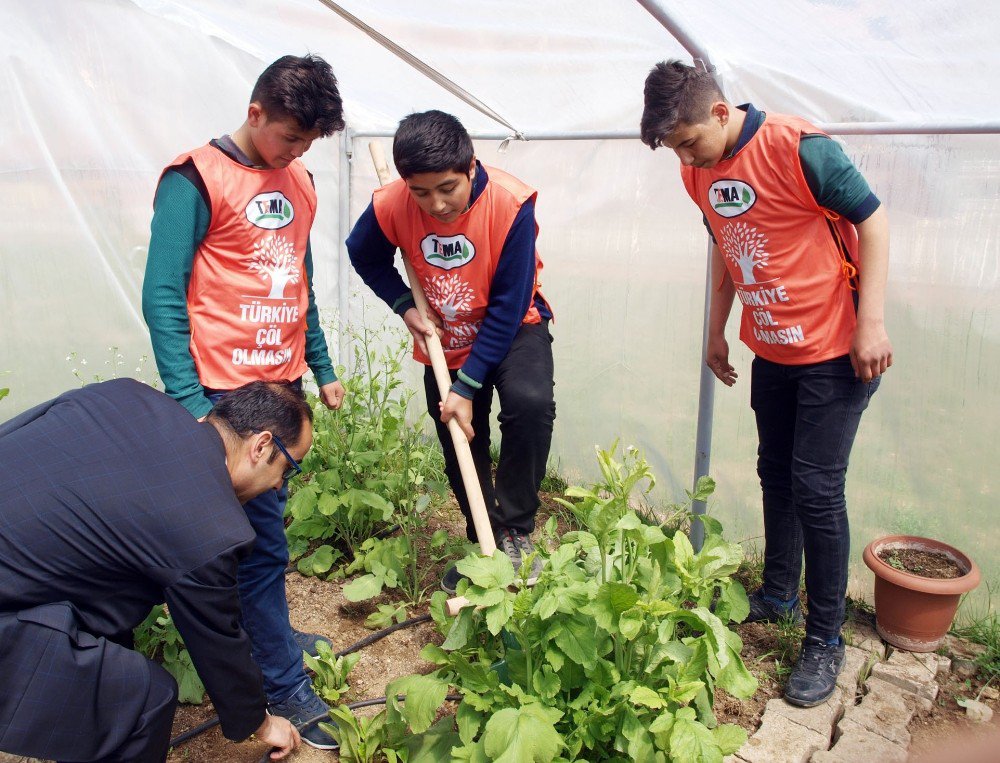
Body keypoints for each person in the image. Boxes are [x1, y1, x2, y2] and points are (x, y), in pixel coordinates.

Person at [641, 61, 893, 707]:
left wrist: (872, 325)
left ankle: (824, 636)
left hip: (836, 349)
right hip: (773, 347)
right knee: (774, 471)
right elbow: (728, 245)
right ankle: (779, 594)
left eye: (690, 140)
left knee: (815, 486)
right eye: (676, 149)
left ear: (721, 112)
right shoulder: (696, 169)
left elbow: (874, 222)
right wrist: (717, 328)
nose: (687, 157)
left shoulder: (801, 149)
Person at [142, 54, 345, 748]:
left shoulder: (303, 183)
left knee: (261, 543)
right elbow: (163, 294)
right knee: (248, 548)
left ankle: (270, 638)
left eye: (307, 143)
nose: (295, 152)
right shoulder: (195, 178)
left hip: (279, 387)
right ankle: (283, 679)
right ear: (255, 112)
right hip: (223, 395)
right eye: (288, 137)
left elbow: (299, 282)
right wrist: (191, 401)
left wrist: (319, 366)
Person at [0, 379, 312, 762]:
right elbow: (217, 638)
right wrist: (261, 723)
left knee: (107, 641)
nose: (280, 484)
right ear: (261, 445)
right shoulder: (210, 526)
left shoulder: (124, 395)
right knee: (142, 699)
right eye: (288, 467)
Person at [346, 110, 556, 594]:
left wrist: (467, 384)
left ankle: (517, 527)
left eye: (447, 188)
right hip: (446, 335)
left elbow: (508, 304)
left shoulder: (510, 204)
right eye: (420, 192)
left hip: (513, 324)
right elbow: (364, 253)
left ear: (470, 168)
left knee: (529, 404)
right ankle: (487, 535)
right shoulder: (393, 203)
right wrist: (403, 304)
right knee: (460, 434)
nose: (435, 204)